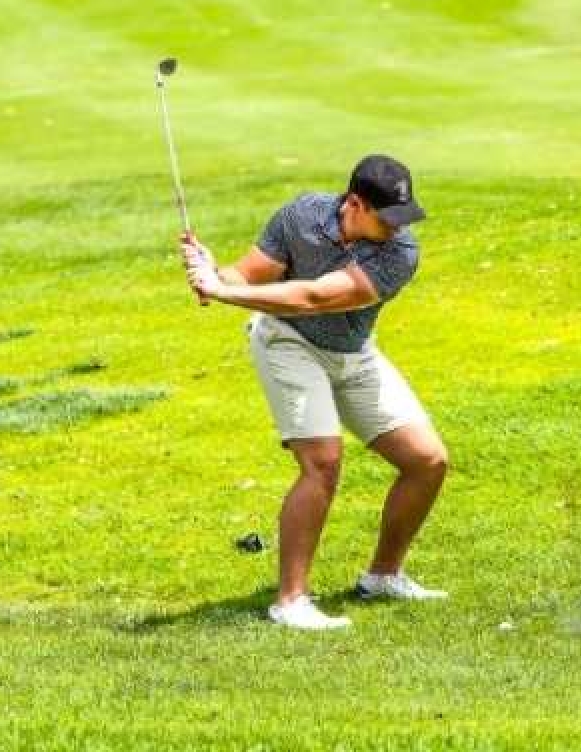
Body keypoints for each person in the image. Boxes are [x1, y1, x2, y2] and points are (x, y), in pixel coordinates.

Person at [181, 154, 449, 630]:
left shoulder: (400, 253)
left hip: (352, 353)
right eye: (387, 217)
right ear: (355, 204)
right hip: (287, 342)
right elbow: (250, 274)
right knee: (322, 462)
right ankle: (290, 602)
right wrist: (214, 276)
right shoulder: (302, 215)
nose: (398, 227)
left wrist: (224, 293)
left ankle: (383, 576)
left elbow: (315, 297)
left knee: (426, 461)